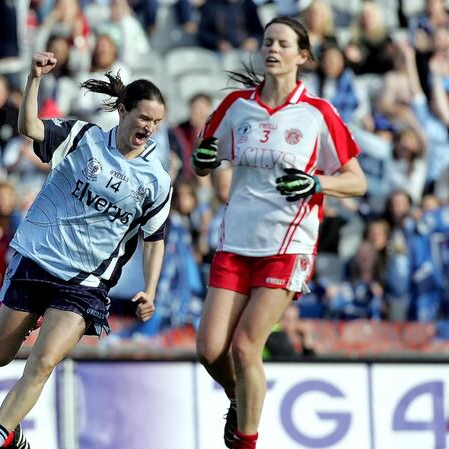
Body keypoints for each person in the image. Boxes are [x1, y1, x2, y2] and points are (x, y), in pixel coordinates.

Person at [0, 52, 170, 449]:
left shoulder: (157, 180)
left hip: (85, 282)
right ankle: (15, 430)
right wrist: (33, 77)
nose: (148, 128)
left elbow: (154, 238)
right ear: (123, 109)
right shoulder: (83, 138)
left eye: (156, 122)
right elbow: (29, 126)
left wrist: (150, 288)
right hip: (39, 261)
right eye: (143, 117)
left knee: (42, 362)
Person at [192, 16, 367, 449]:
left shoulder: (317, 113)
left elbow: (357, 180)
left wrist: (317, 183)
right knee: (209, 350)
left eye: (283, 44)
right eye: (268, 41)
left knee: (246, 346)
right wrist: (204, 160)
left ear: (302, 56)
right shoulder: (237, 106)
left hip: (287, 245)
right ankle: (241, 399)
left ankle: (246, 441)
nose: (272, 49)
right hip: (236, 241)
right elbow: (203, 163)